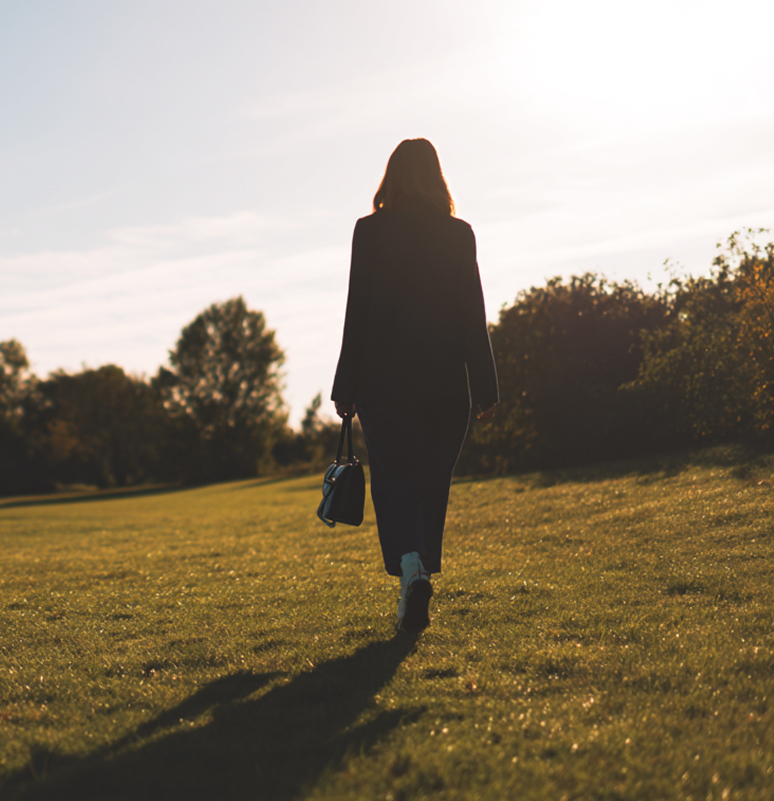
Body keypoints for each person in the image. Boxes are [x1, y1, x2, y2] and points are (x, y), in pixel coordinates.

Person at [331, 138, 498, 633]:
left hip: (386, 385)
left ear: (392, 177)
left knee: (395, 479)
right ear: (437, 177)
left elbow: (356, 310)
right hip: (448, 385)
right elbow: (474, 313)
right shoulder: (458, 234)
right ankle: (417, 568)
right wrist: (486, 385)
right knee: (429, 483)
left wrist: (346, 384)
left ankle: (411, 567)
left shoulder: (369, 232)